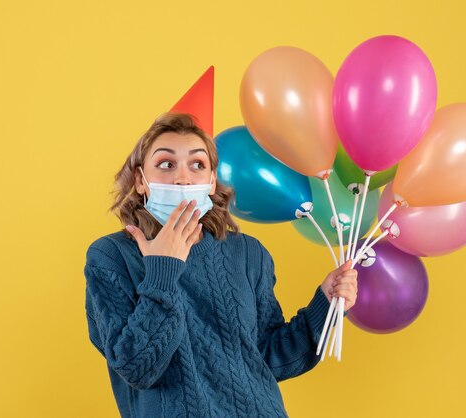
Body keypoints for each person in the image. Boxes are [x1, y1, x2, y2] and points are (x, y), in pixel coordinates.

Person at [83, 112, 358, 417]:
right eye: (166, 164)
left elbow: (267, 357)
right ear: (140, 181)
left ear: (212, 181)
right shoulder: (111, 256)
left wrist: (326, 305)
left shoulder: (248, 253)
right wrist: (164, 268)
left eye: (197, 165)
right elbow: (136, 368)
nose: (182, 178)